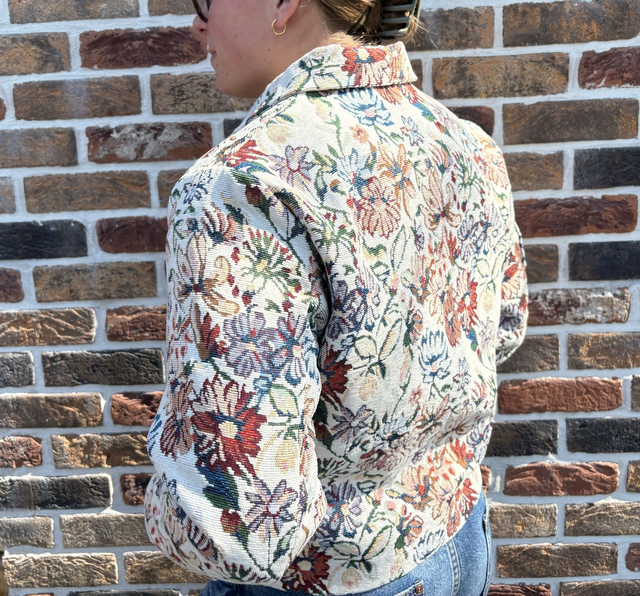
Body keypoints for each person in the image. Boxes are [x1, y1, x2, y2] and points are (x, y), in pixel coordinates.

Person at [143, 0, 529, 595]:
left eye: (207, 0)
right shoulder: (466, 143)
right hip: (458, 537)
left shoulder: (242, 182)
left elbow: (239, 510)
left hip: (330, 571)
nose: (198, 23)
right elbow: (505, 327)